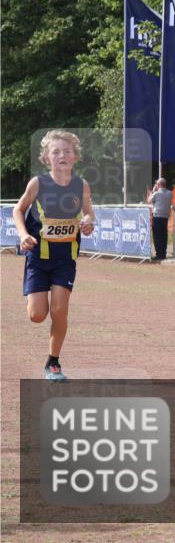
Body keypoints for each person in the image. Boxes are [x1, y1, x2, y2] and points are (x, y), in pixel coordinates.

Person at [12, 130, 95, 381]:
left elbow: (89, 213)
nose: (62, 155)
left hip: (65, 258)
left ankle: (53, 362)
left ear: (75, 157)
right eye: (56, 151)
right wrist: (23, 234)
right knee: (37, 315)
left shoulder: (81, 186)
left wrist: (88, 222)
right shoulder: (37, 183)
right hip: (38, 256)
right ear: (46, 158)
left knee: (60, 310)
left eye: (67, 151)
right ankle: (34, 297)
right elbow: (18, 209)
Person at [147, 178, 172, 260]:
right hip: (165, 217)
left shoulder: (156, 193)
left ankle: (159, 254)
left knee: (157, 236)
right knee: (164, 235)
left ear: (158, 185)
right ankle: (163, 253)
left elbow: (149, 200)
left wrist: (153, 191)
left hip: (157, 216)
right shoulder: (170, 193)